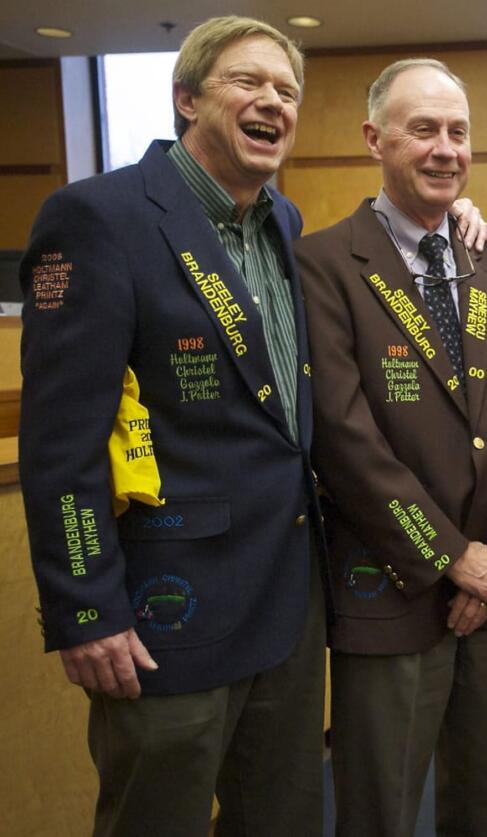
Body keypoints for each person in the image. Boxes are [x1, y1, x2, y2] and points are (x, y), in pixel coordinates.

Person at [19, 16, 324, 837]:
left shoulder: (284, 225)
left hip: (288, 609)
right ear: (186, 99)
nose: (272, 102)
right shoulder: (98, 218)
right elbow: (60, 441)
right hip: (167, 619)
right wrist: (85, 607)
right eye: (247, 82)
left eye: (287, 90)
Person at [295, 58, 487, 837]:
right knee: (380, 809)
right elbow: (343, 439)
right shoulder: (324, 264)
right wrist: (450, 556)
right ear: (375, 139)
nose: (445, 149)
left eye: (459, 132)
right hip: (390, 593)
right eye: (424, 130)